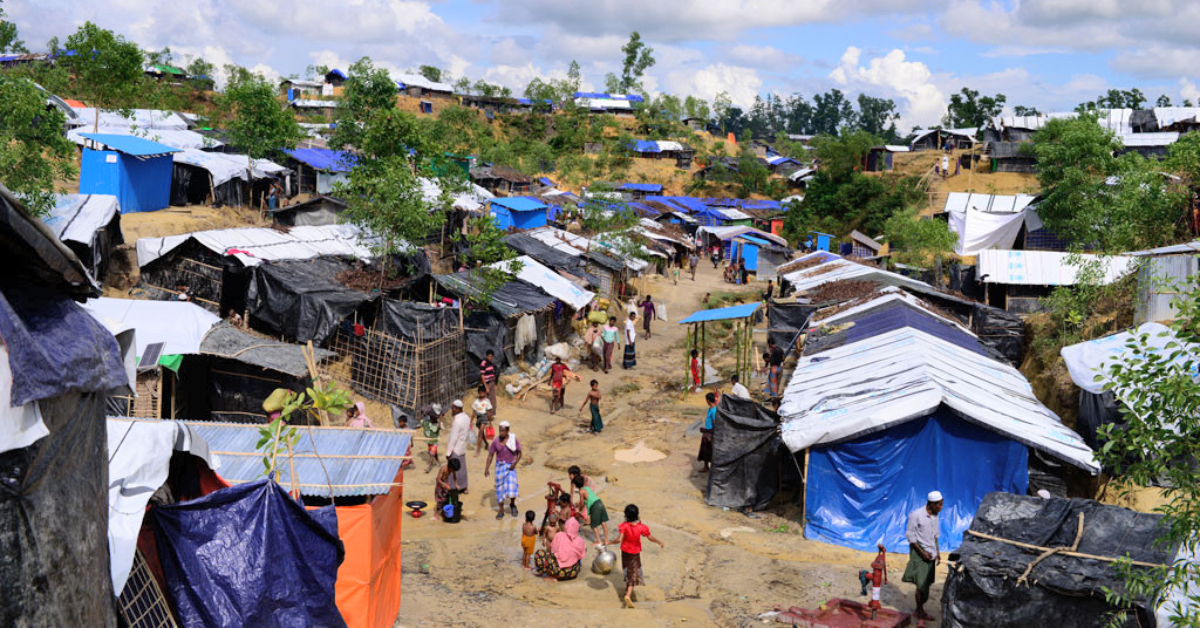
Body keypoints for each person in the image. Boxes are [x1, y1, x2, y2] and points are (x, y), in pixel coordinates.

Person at [609, 504, 663, 608]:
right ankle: (628, 595)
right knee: (633, 574)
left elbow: (619, 539)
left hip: (625, 552)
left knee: (628, 570)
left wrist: (609, 542)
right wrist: (658, 541)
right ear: (637, 515)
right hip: (635, 553)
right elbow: (649, 537)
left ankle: (627, 590)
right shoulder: (642, 527)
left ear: (626, 515)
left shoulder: (623, 526)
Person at [903, 491, 944, 622]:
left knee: (927, 583)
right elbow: (910, 536)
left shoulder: (935, 516)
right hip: (920, 555)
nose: (941, 507)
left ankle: (919, 609)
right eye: (939, 505)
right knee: (921, 585)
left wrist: (937, 551)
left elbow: (935, 535)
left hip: (930, 554)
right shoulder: (916, 515)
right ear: (932, 504)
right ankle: (920, 612)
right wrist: (922, 553)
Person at [484, 421, 522, 519]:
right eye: (500, 430)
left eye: (503, 431)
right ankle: (501, 510)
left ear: (508, 431)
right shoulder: (496, 442)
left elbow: (519, 453)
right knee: (499, 490)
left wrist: (514, 463)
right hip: (500, 467)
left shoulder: (513, 440)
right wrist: (487, 468)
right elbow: (490, 455)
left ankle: (512, 505)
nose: (500, 433)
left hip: (510, 467)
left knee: (512, 488)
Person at [573, 474, 609, 546]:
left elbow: (582, 503)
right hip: (600, 502)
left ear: (575, 486)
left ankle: (599, 541)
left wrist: (578, 510)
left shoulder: (581, 491)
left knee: (593, 525)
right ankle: (606, 539)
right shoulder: (587, 488)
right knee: (603, 522)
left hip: (594, 506)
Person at [446, 400, 470, 493]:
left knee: (453, 469)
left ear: (456, 409)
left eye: (452, 408)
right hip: (462, 447)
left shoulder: (457, 421)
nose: (451, 410)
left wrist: (448, 452)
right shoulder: (466, 418)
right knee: (462, 468)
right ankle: (464, 486)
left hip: (456, 448)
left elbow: (453, 438)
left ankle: (454, 487)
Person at [420, 403, 445, 472]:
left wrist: (440, 419)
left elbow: (439, 427)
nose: (431, 419)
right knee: (434, 453)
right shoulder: (427, 424)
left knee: (432, 454)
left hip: (435, 442)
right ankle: (439, 462)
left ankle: (429, 467)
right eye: (431, 418)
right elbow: (420, 420)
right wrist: (421, 413)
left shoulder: (438, 425)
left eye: (432, 418)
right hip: (430, 442)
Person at [472, 385, 494, 456]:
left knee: (481, 431)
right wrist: (471, 421)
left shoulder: (487, 401)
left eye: (483, 392)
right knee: (481, 433)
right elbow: (474, 412)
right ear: (478, 393)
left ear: (485, 393)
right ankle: (486, 443)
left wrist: (490, 422)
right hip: (478, 417)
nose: (481, 394)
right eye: (480, 392)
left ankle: (478, 450)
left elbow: (489, 412)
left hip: (484, 416)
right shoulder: (476, 401)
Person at [697, 392, 716, 472]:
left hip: (709, 433)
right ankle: (706, 466)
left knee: (708, 450)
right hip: (707, 431)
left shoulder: (714, 411)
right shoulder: (710, 409)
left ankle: (708, 467)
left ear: (708, 400)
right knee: (706, 450)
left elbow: (715, 422)